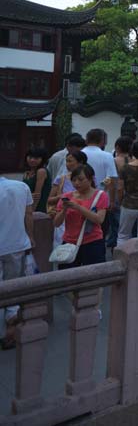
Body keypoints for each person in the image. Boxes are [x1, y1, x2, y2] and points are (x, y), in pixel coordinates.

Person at [51, 165, 109, 268]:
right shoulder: (66, 197)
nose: (77, 183)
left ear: (91, 179)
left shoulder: (100, 195)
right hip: (69, 242)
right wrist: (64, 210)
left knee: (93, 276)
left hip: (92, 241)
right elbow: (56, 223)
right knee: (67, 277)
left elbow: (99, 219)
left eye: (81, 180)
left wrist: (78, 207)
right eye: (74, 180)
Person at [0, 175, 33, 349]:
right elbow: (29, 215)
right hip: (16, 245)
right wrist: (31, 237)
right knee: (13, 287)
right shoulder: (21, 187)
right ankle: (10, 331)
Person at [22, 147, 51, 214]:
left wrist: (32, 211)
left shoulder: (41, 171)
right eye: (30, 157)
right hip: (27, 204)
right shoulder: (27, 173)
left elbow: (37, 196)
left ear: (42, 159)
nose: (32, 160)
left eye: (36, 158)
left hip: (38, 206)